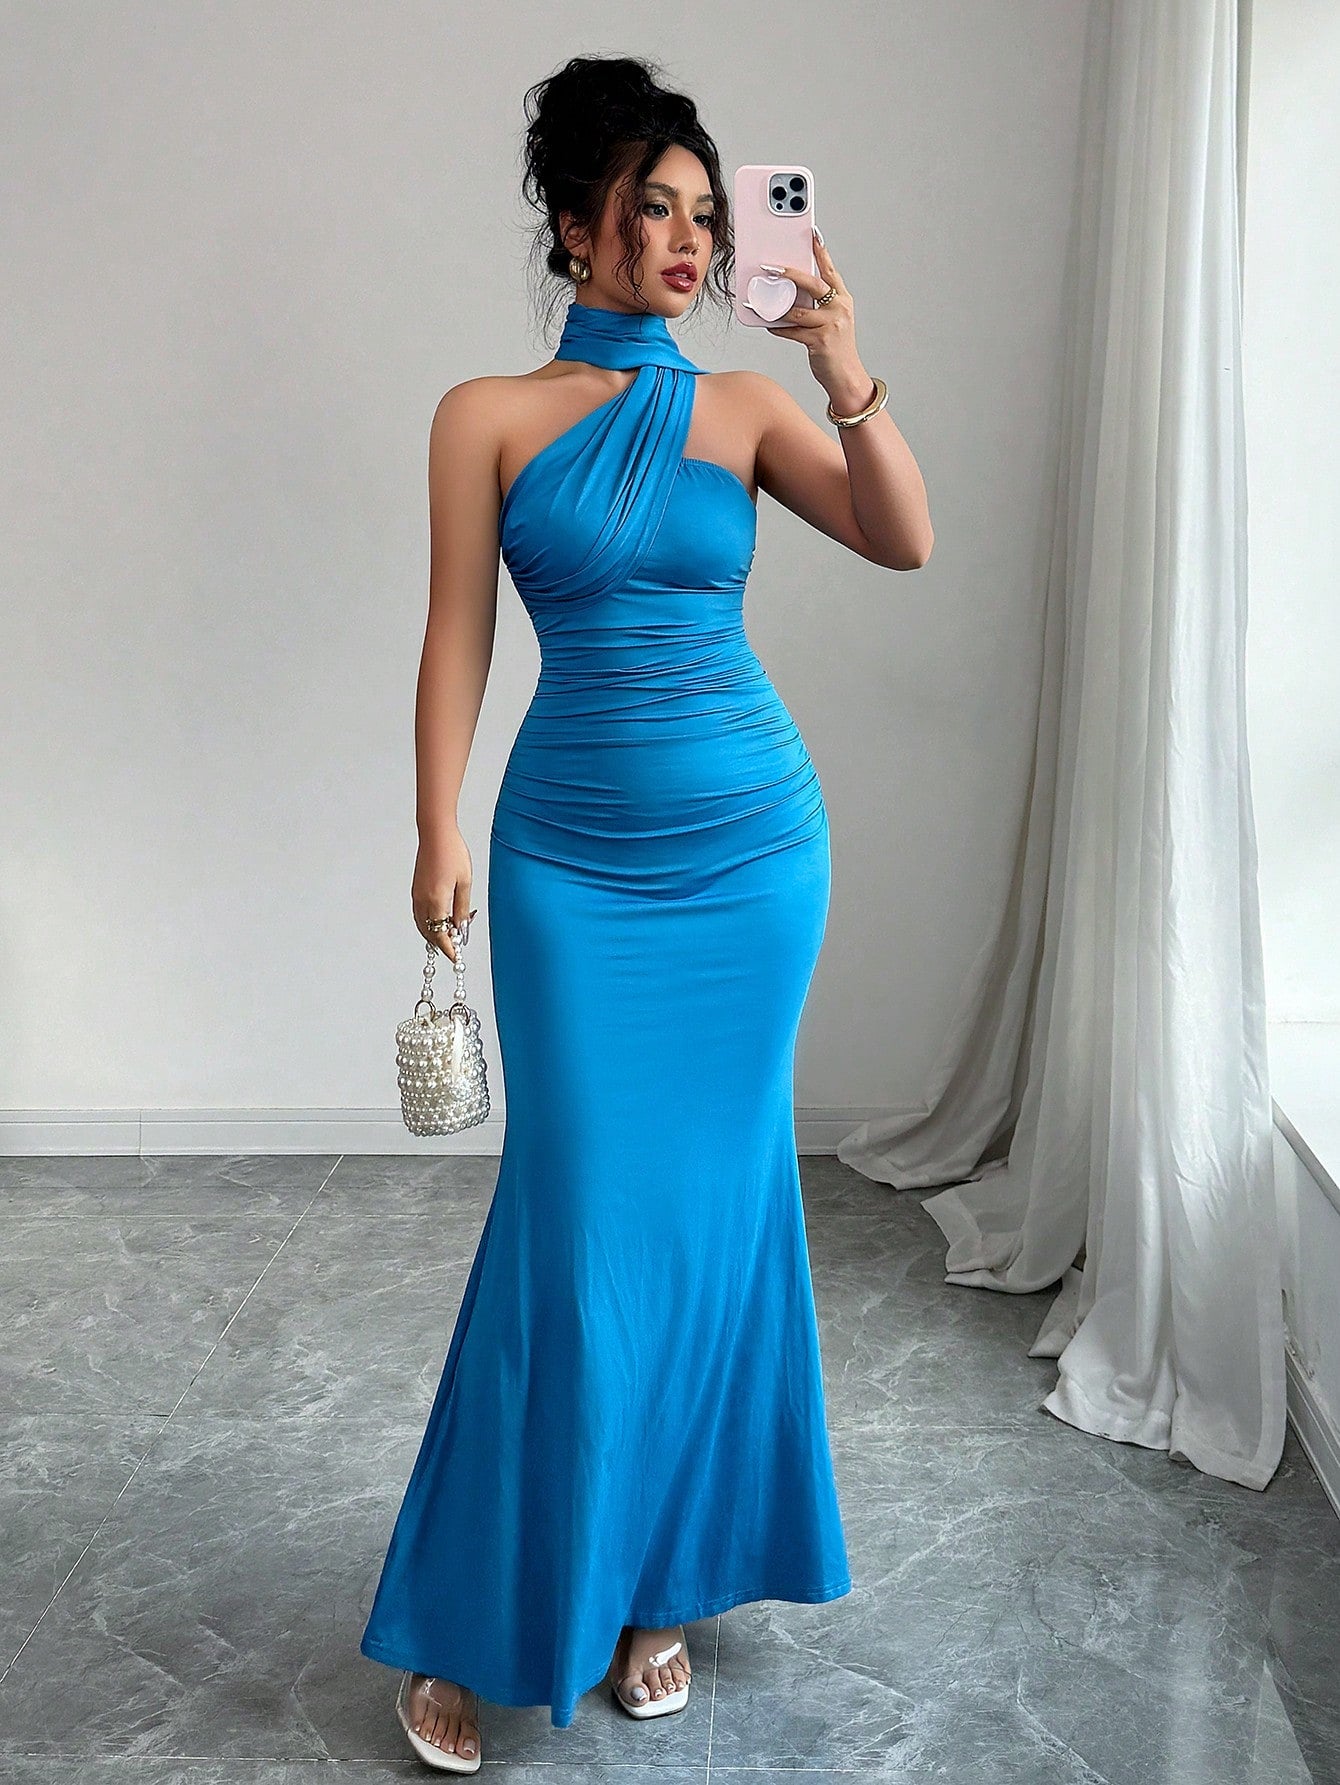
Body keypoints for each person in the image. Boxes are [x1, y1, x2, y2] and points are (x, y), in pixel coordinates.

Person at [358, 52, 933, 1774]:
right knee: (576, 1227)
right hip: (572, 866)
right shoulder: (486, 415)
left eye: (702, 215)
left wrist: (842, 367)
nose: (687, 240)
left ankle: (663, 1583)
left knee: (716, 1218)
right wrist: (435, 826)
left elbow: (904, 537)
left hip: (753, 856)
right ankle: (479, 1614)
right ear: (574, 226)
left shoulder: (747, 408)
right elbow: (459, 631)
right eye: (652, 210)